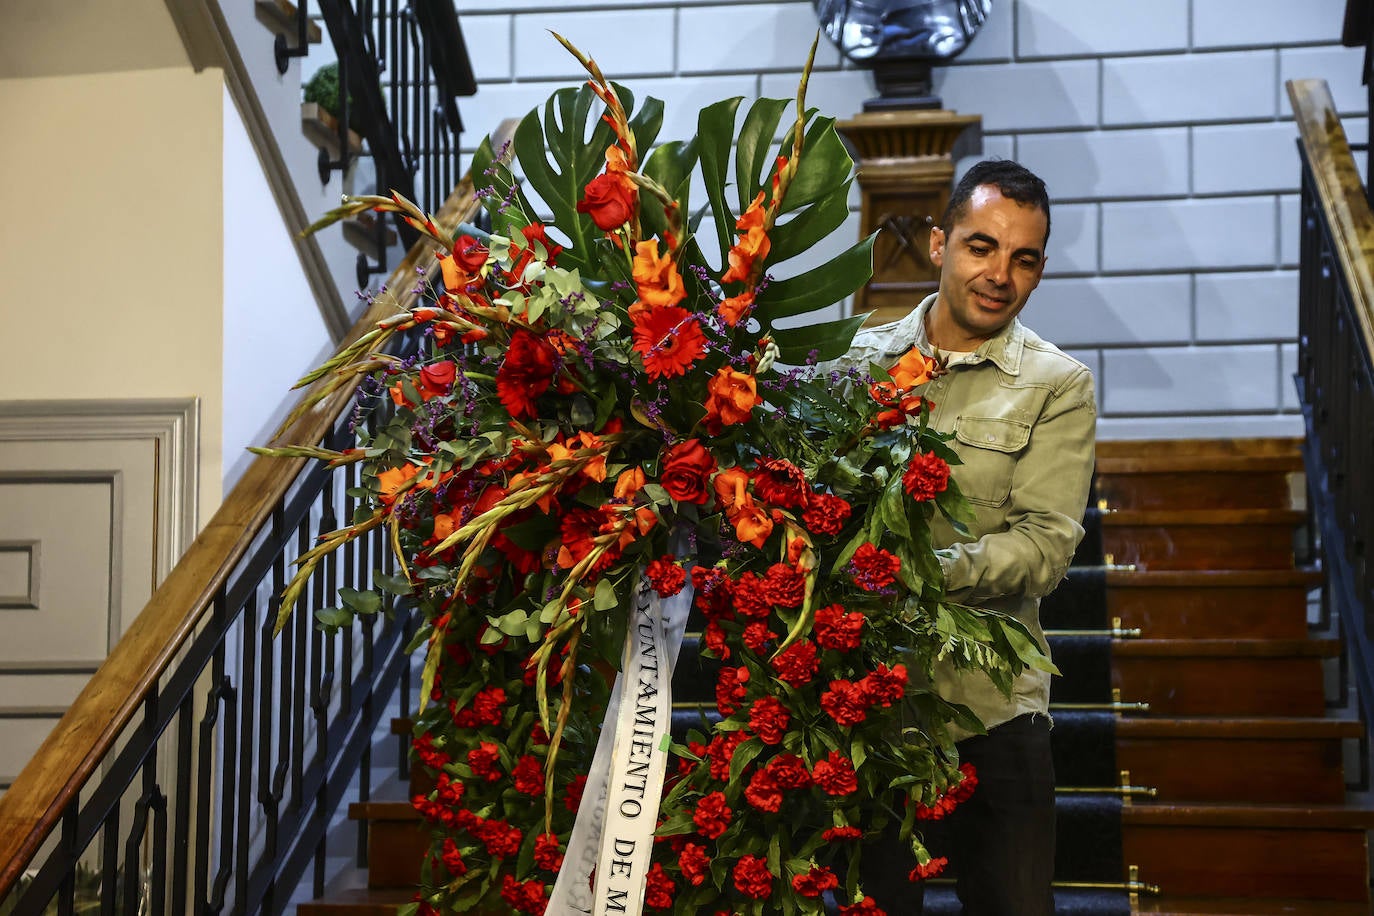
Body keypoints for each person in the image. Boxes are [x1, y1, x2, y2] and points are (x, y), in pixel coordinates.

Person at [845, 159, 1097, 914]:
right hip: (873, 707)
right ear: (938, 243)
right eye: (981, 246)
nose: (1000, 274)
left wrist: (912, 570)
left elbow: (1046, 546)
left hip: (994, 705)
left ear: (1040, 271)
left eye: (1023, 259)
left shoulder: (1059, 384)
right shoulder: (857, 365)